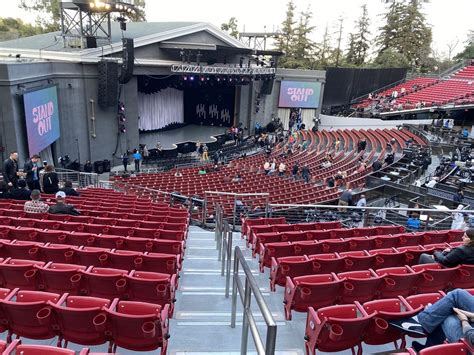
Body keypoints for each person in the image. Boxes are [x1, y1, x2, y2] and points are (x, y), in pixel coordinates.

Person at [389, 289, 474, 352]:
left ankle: (422, 324)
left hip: (470, 345)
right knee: (454, 301)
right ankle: (428, 347)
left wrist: (464, 320)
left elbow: (471, 339)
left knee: (446, 312)